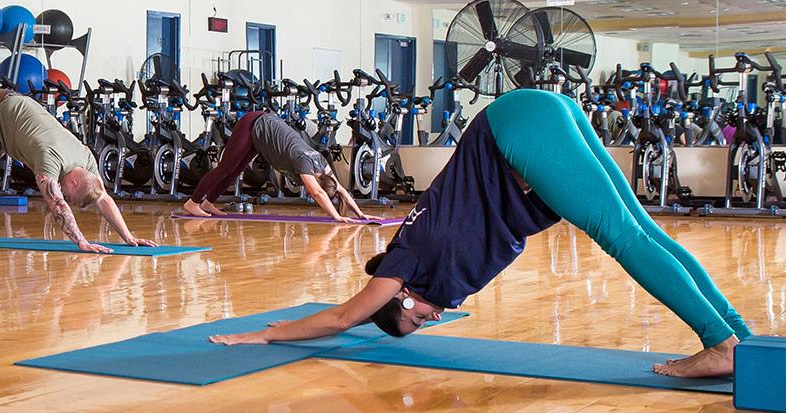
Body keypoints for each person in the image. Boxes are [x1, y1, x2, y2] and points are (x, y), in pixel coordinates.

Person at [207, 90, 750, 379]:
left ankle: (719, 344)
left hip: (515, 128)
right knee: (642, 231)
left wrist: (266, 335)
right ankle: (741, 340)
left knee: (621, 237)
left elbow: (344, 316)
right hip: (533, 116)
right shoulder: (427, 270)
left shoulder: (404, 263)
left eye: (417, 314)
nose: (433, 314)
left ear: (399, 294)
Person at [0, 89, 156, 253]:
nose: (67, 197)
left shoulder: (86, 160)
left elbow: (103, 198)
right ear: (74, 184)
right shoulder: (50, 159)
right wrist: (81, 242)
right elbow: (58, 205)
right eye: (71, 196)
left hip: (7, 127)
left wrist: (128, 236)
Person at [181, 111, 381, 223]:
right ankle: (193, 202)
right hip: (253, 123)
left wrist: (360, 214)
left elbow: (341, 190)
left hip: (261, 134)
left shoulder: (321, 163)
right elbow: (318, 193)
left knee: (236, 170)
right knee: (225, 168)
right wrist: (337, 217)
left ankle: (208, 203)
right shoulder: (305, 163)